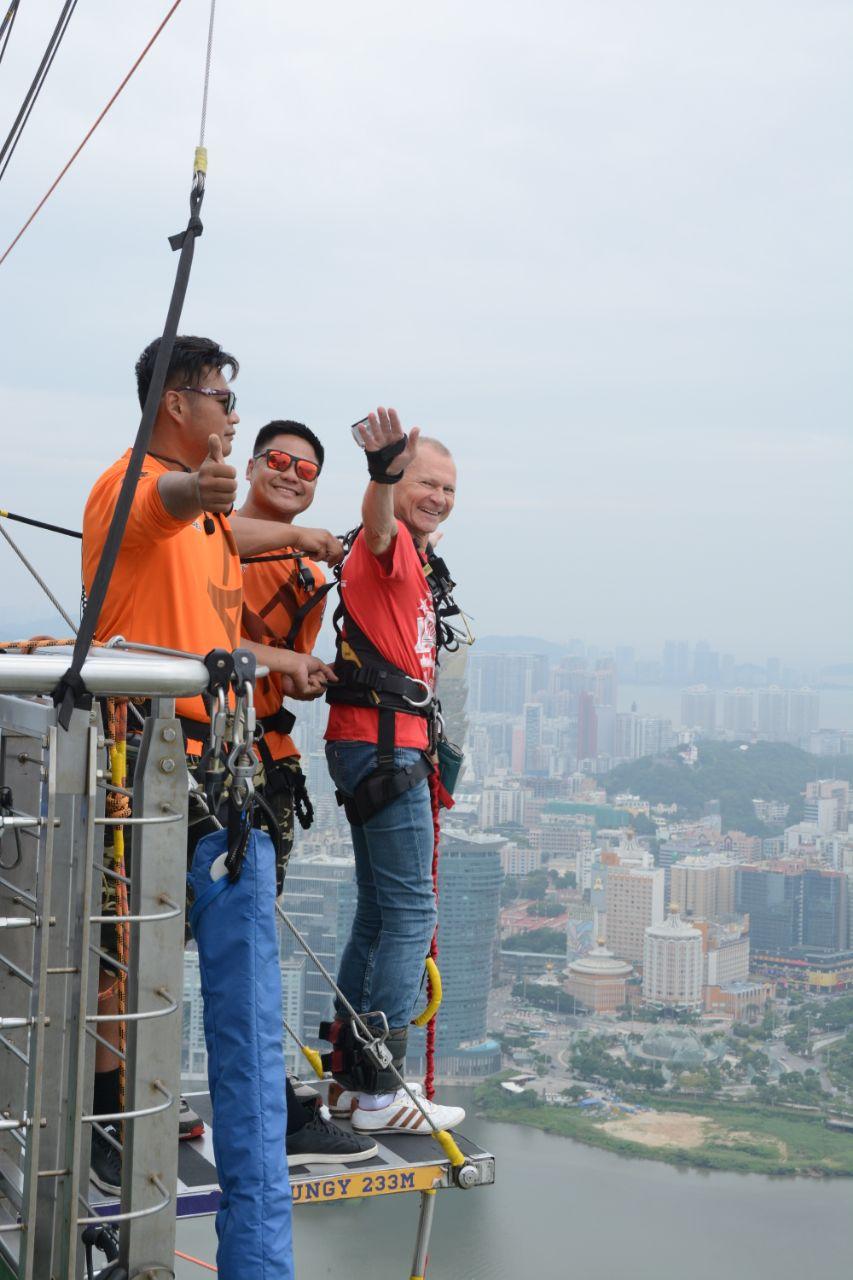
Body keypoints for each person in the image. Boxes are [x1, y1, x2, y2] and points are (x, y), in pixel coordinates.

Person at [82, 335, 339, 1192]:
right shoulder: (132, 487)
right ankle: (105, 1111)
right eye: (221, 399)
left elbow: (214, 622)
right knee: (128, 937)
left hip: (207, 753)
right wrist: (203, 485)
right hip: (143, 747)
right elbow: (163, 497)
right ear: (175, 405)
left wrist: (279, 658)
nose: (232, 412)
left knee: (178, 935)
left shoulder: (210, 529)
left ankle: (166, 1100)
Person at [238, 417, 378, 1165]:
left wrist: (301, 667)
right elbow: (202, 623)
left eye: (307, 468)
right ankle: (272, 1111)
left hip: (268, 756)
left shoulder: (307, 569)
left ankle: (262, 1100)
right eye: (280, 461)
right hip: (221, 757)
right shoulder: (219, 534)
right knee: (240, 940)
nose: (294, 474)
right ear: (252, 465)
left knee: (245, 934)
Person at [323, 407, 466, 1135]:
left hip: (373, 743)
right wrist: (380, 475)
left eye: (448, 487)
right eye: (425, 483)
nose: (438, 495)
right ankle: (381, 1089)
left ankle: (352, 1083)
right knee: (412, 912)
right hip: (385, 746)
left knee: (381, 913)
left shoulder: (410, 554)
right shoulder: (383, 547)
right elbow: (377, 523)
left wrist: (404, 497)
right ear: (394, 480)